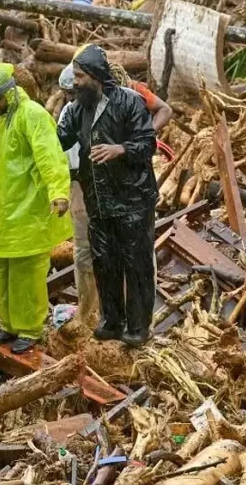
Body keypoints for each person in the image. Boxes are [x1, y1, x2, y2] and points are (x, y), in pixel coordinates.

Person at [57, 59, 173, 329]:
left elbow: (163, 110)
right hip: (85, 186)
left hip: (125, 185)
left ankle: (138, 320)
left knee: (135, 254)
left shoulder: (130, 95)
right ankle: (93, 315)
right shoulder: (71, 112)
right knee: (90, 251)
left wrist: (136, 138)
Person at [0, 63, 72, 354]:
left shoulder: (33, 115)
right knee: (2, 272)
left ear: (11, 92)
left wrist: (58, 191)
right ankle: (9, 325)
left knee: (27, 274)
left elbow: (50, 155)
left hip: (26, 212)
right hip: (1, 214)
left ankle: (30, 329)